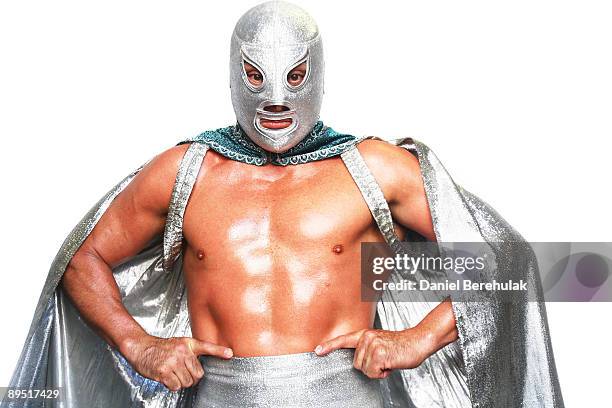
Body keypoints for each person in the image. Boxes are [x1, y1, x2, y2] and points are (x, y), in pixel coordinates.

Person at [3, 1, 564, 407]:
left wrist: (418, 338)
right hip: (216, 399)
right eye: (256, 75)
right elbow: (81, 259)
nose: (275, 98)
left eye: (294, 76)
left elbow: (506, 259)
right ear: (233, 76)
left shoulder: (372, 168)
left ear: (316, 74)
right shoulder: (185, 173)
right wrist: (139, 345)